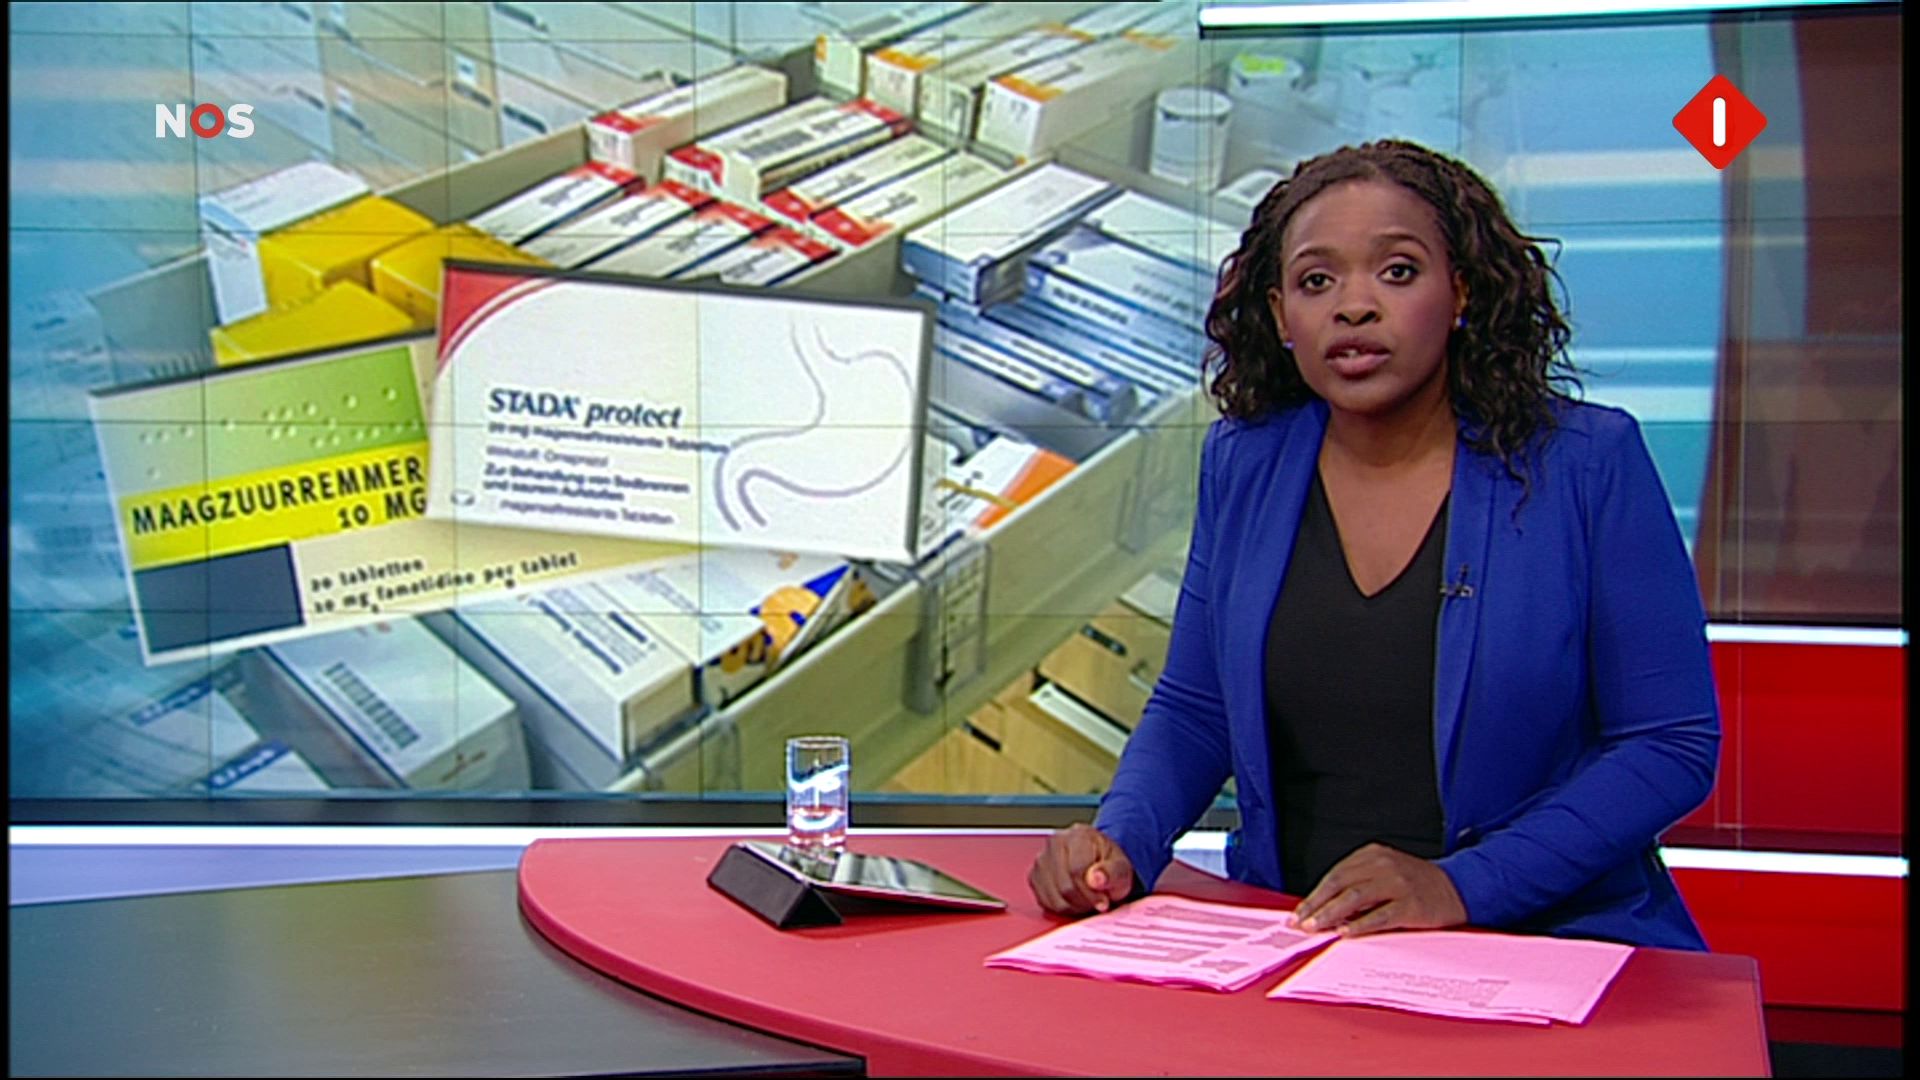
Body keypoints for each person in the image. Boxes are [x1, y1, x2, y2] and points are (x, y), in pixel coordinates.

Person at [1027, 140, 1720, 950]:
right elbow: (1196, 706)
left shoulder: (1585, 463)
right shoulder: (1245, 459)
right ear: (1280, 314)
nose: (1353, 306)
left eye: (1397, 271)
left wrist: (1464, 885)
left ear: (1461, 291)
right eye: (1316, 281)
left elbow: (1669, 745)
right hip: (1295, 939)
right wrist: (1121, 844)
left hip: (1547, 944)